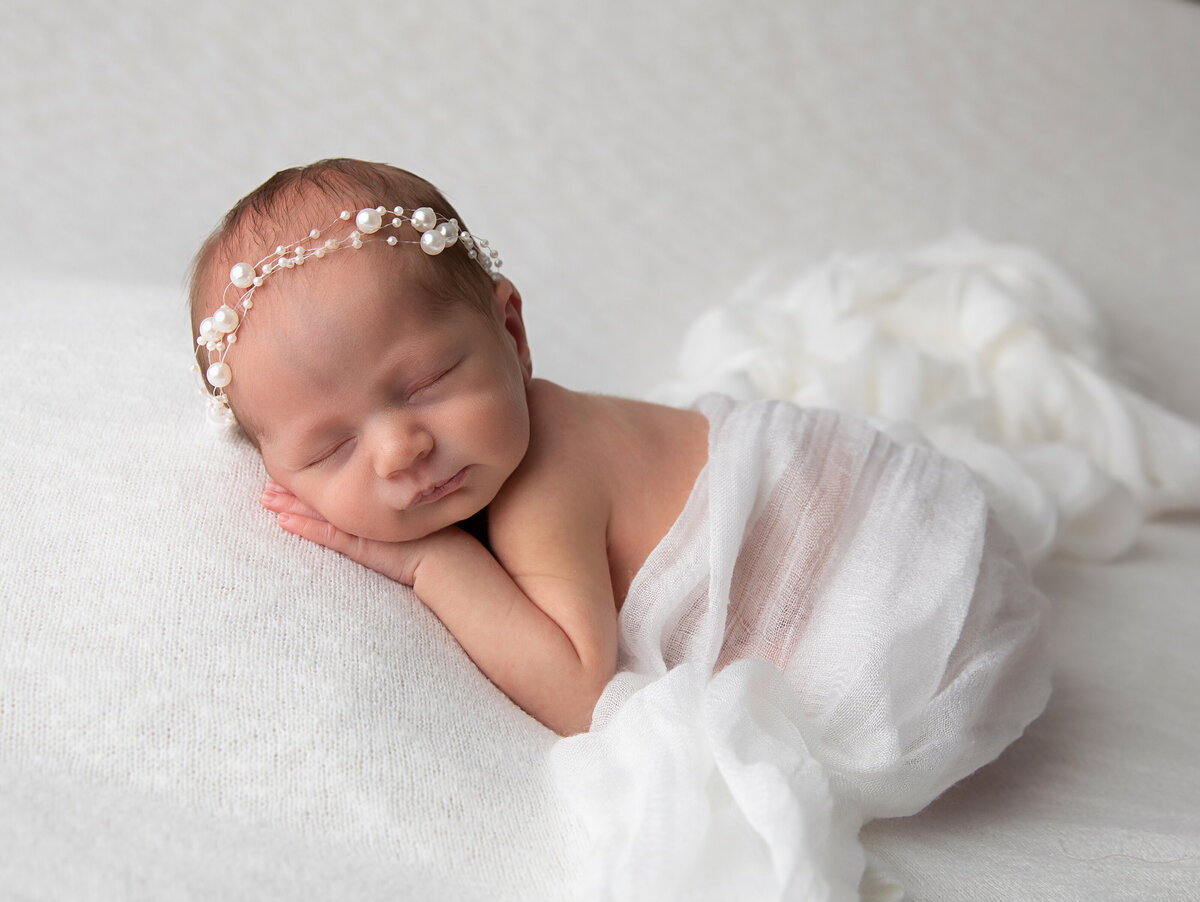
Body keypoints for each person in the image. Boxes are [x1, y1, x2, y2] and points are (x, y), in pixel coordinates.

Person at [190, 158, 1048, 750]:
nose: (400, 447)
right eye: (332, 446)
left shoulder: (543, 483)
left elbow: (582, 695)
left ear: (512, 331)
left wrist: (432, 566)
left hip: (895, 588)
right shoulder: (486, 453)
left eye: (426, 382)